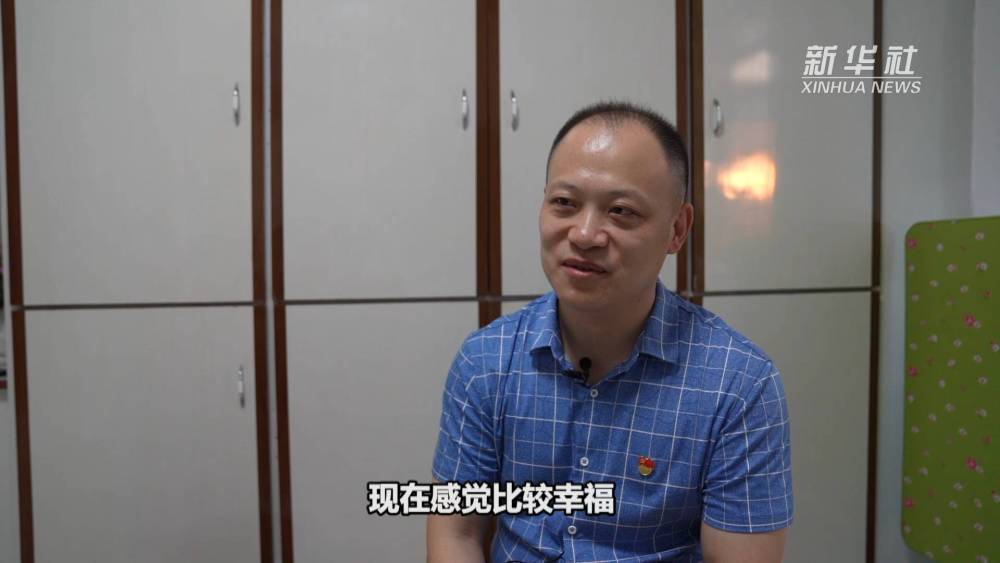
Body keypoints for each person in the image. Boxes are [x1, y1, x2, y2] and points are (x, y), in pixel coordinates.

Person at [427, 101, 793, 562]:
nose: (584, 234)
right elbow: (456, 534)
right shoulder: (487, 361)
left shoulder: (739, 385)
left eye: (620, 211)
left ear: (677, 230)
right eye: (564, 203)